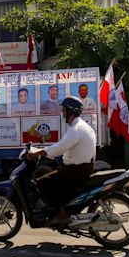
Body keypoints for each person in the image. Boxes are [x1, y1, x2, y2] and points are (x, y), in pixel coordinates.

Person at [28, 96, 96, 226]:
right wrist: (44, 150)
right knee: (54, 176)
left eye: (64, 110)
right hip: (82, 167)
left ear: (71, 111)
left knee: (42, 183)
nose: (63, 113)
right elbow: (63, 146)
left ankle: (61, 214)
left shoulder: (76, 129)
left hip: (76, 170)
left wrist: (38, 152)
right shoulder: (81, 126)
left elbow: (60, 147)